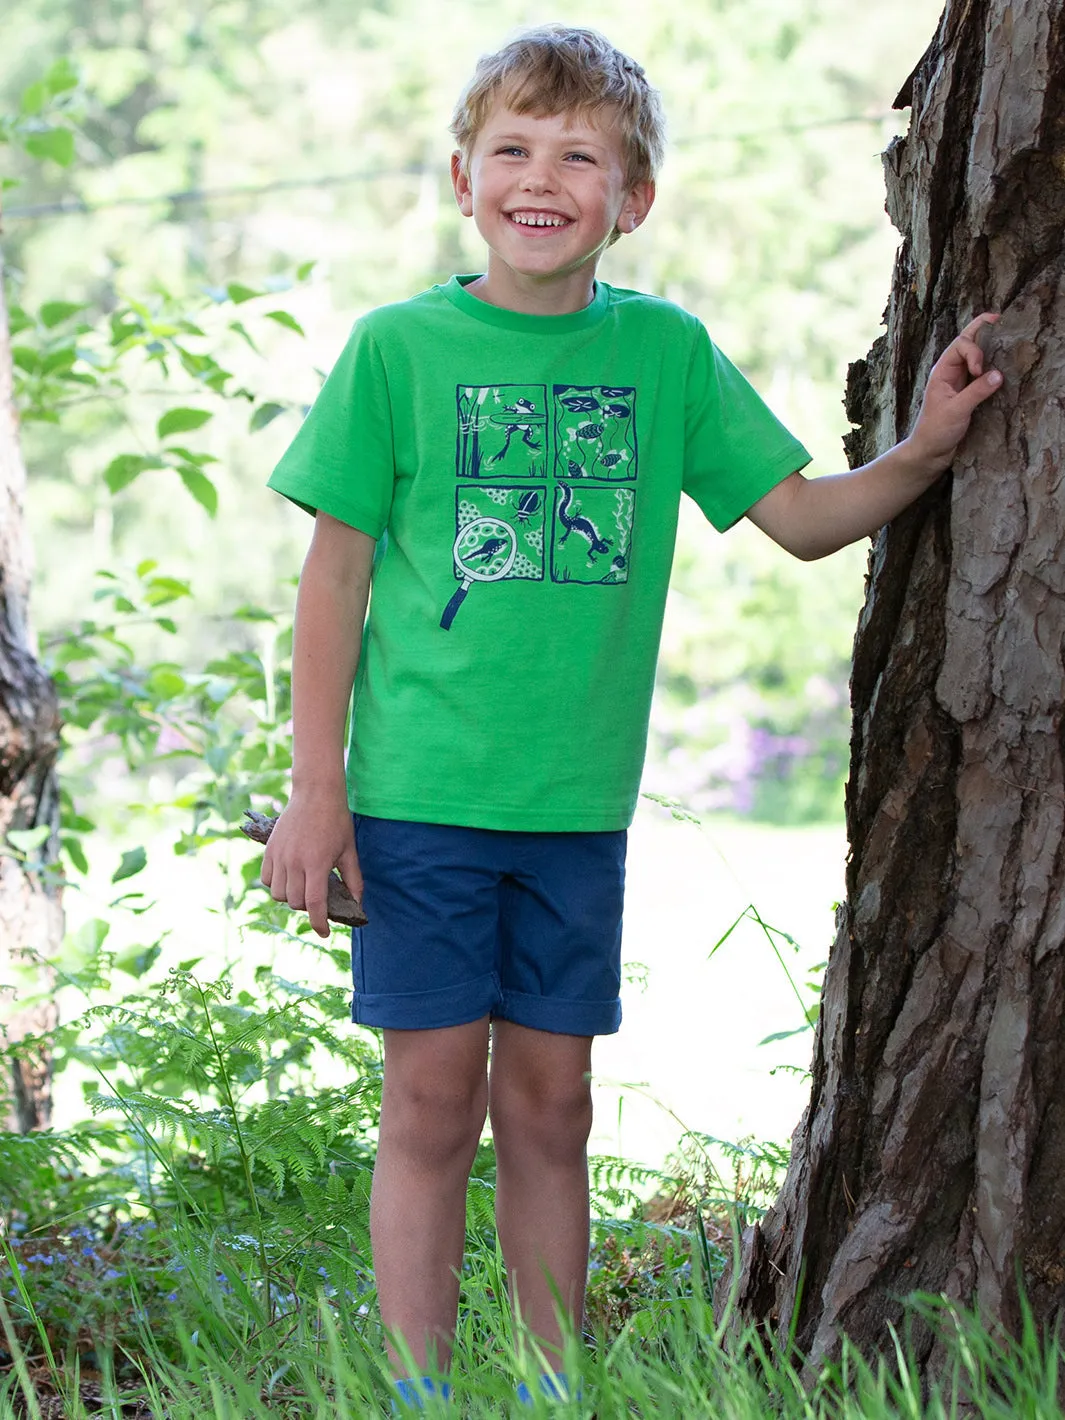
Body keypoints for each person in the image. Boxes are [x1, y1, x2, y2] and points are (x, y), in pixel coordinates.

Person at [261, 24, 1002, 1407]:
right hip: (418, 803)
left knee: (554, 1109)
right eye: (514, 151)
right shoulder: (398, 351)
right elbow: (337, 580)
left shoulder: (662, 357)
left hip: (572, 815)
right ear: (463, 178)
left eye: (581, 157)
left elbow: (796, 520)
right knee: (429, 1105)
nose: (543, 179)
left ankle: (553, 1388)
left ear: (633, 200)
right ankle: (412, 1391)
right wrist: (319, 792)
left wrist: (929, 450)